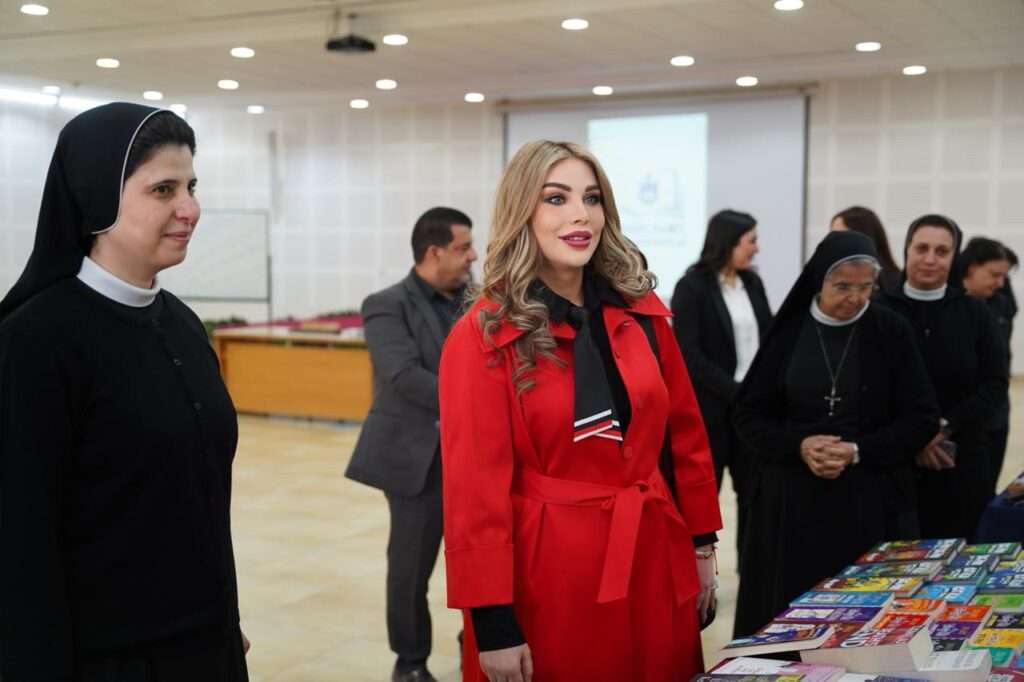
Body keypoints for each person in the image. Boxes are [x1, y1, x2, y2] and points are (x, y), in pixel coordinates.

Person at [439, 140, 722, 682]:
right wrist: (492, 622)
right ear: (522, 212)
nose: (580, 215)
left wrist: (701, 544)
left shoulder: (642, 314)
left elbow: (683, 437)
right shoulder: (485, 335)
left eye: (592, 199)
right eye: (556, 198)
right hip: (551, 577)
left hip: (653, 556)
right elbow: (473, 491)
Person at [0, 104, 249, 680]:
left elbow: (199, 499)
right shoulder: (34, 342)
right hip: (106, 660)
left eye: (191, 186)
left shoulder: (182, 324)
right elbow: (20, 541)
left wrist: (224, 616)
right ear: (98, 199)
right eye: (163, 190)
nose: (190, 208)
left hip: (206, 645)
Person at [732, 231, 940, 637]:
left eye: (866, 287)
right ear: (819, 282)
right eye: (843, 287)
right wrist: (799, 445)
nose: (855, 298)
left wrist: (857, 450)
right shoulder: (788, 331)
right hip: (791, 503)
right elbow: (747, 414)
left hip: (868, 499)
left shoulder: (891, 330)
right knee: (790, 622)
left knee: (860, 625)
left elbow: (922, 418)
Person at [345, 206, 477, 682]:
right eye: (464, 247)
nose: (473, 256)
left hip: (473, 457)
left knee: (481, 557)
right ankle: (411, 661)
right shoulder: (386, 305)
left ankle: (475, 643)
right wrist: (477, 400)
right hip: (417, 459)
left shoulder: (479, 301)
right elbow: (402, 376)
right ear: (434, 252)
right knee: (410, 569)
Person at [879, 215, 1008, 541]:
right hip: (893, 467)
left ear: (954, 257)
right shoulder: (879, 311)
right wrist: (916, 435)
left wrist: (944, 428)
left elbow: (994, 385)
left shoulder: (975, 313)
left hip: (961, 464)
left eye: (942, 251)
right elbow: (869, 387)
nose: (930, 259)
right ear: (906, 249)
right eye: (921, 248)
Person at [671, 209, 772, 558]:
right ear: (729, 242)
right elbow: (689, 354)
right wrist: (736, 391)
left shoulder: (753, 284)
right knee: (703, 498)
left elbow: (768, 338)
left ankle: (752, 572)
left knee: (755, 497)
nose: (756, 249)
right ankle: (694, 571)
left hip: (751, 413)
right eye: (751, 241)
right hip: (711, 411)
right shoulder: (692, 287)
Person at [960, 237, 1016, 494]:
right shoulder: (950, 306)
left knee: (986, 490)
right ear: (972, 267)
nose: (1000, 283)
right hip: (961, 421)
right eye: (994, 275)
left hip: (996, 415)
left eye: (1004, 277)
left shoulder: (1001, 304)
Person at [830, 206, 902, 293]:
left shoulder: (896, 286)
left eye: (841, 237)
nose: (833, 243)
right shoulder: (829, 279)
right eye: (832, 237)